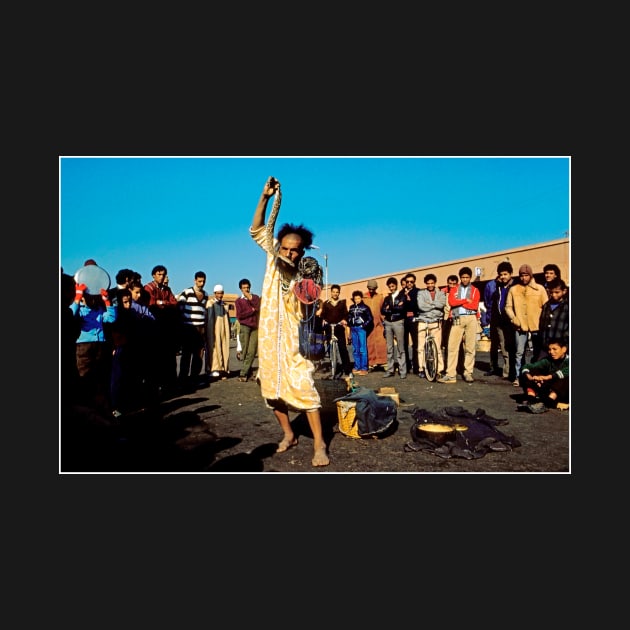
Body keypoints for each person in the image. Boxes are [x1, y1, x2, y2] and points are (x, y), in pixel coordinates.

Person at [250, 176, 329, 466]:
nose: (288, 252)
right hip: (269, 337)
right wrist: (265, 196)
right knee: (270, 390)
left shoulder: (306, 273)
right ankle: (289, 434)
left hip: (295, 340)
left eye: (294, 249)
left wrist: (307, 285)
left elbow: (310, 304)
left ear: (302, 250)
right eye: (285, 247)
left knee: (305, 388)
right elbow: (257, 228)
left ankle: (320, 444)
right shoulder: (272, 256)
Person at [71, 278, 117, 412]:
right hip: (83, 346)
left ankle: (104, 409)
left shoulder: (100, 310)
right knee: (85, 378)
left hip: (101, 345)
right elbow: (71, 315)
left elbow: (112, 318)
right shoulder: (80, 309)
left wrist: (107, 301)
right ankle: (87, 409)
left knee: (102, 378)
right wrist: (77, 299)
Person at [505, 264, 548, 386]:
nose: (524, 278)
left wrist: (543, 323)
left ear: (531, 275)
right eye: (522, 275)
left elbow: (546, 307)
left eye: (526, 275)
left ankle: (538, 376)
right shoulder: (513, 289)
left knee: (539, 353)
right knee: (519, 353)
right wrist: (514, 319)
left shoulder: (540, 289)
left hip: (536, 326)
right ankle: (519, 377)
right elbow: (508, 307)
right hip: (520, 326)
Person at [438, 266, 480, 384]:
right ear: (460, 278)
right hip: (457, 318)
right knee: (452, 347)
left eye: (467, 277)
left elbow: (474, 306)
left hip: (471, 318)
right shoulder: (454, 289)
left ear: (470, 278)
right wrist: (466, 300)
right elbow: (452, 302)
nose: (465, 279)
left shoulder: (475, 290)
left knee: (470, 347)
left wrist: (460, 303)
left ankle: (468, 372)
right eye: (463, 277)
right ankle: (451, 374)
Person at [144, 264, 180, 396]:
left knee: (168, 358)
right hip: (154, 327)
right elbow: (151, 304)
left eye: (163, 274)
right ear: (153, 275)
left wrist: (162, 303)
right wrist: (163, 304)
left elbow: (174, 303)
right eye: (159, 274)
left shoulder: (167, 289)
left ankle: (168, 384)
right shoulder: (148, 288)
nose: (161, 276)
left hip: (166, 328)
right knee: (156, 358)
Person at [518, 338, 569, 413]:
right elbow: (528, 366)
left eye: (555, 349)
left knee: (565, 378)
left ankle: (547, 403)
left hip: (564, 392)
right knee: (531, 371)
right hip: (550, 388)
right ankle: (531, 399)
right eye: (550, 349)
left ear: (564, 349)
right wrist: (529, 375)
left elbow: (567, 371)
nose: (551, 352)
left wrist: (547, 377)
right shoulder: (548, 360)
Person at [486, 261, 517, 381]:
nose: (503, 277)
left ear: (510, 274)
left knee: (513, 347)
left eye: (505, 274)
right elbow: (492, 304)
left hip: (511, 321)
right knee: (503, 347)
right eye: (501, 274)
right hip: (499, 322)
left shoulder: (515, 286)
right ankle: (506, 372)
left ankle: (515, 372)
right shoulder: (497, 287)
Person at [177, 271, 209, 387]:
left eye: (204, 281)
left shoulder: (205, 295)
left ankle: (194, 378)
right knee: (186, 355)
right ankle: (183, 379)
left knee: (198, 355)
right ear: (195, 280)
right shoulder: (186, 292)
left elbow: (204, 312)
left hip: (200, 328)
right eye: (199, 281)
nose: (202, 283)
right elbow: (179, 309)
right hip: (188, 328)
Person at [316, 283, 352, 378]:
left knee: (343, 349)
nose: (335, 293)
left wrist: (344, 320)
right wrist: (323, 320)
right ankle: (333, 367)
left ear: (339, 293)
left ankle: (347, 370)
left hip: (339, 328)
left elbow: (346, 314)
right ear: (331, 292)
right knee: (330, 349)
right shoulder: (326, 303)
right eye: (333, 292)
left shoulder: (342, 303)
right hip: (329, 328)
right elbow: (323, 315)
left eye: (337, 292)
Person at [415, 273, 447, 378]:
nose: (430, 285)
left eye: (432, 283)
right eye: (428, 283)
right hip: (423, 321)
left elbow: (442, 304)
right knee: (420, 348)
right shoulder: (421, 293)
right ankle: (422, 368)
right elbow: (421, 306)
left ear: (435, 283)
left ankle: (440, 369)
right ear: (425, 284)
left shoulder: (441, 293)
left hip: (436, 321)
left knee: (437, 347)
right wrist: (434, 306)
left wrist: (429, 304)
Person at [234, 278, 261, 382]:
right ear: (240, 289)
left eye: (247, 287)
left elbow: (258, 307)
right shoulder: (238, 301)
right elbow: (240, 316)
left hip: (254, 327)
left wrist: (251, 300)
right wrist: (252, 310)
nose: (246, 289)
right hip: (244, 326)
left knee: (252, 350)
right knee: (245, 351)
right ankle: (248, 373)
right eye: (244, 288)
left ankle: (243, 373)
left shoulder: (255, 298)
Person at [381, 276, 408, 379]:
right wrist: (394, 308)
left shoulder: (402, 296)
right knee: (389, 348)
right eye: (389, 287)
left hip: (398, 322)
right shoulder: (387, 298)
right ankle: (390, 369)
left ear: (396, 285)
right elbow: (383, 310)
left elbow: (402, 309)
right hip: (388, 323)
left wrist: (390, 308)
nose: (391, 288)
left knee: (400, 347)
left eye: (393, 286)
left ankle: (402, 370)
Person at [205, 284, 232, 380]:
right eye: (218, 293)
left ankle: (224, 369)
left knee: (224, 348)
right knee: (214, 349)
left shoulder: (225, 305)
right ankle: (214, 369)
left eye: (221, 293)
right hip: (213, 331)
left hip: (223, 331)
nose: (220, 295)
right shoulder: (210, 303)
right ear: (214, 293)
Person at [538, 278, 569, 355]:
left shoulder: (567, 306)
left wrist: (565, 339)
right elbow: (542, 323)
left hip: (561, 345)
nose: (554, 295)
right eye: (551, 292)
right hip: (546, 345)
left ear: (564, 291)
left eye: (557, 292)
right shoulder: (546, 305)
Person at [347, 290, 374, 376]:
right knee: (355, 349)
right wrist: (350, 324)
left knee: (362, 349)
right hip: (353, 329)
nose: (357, 300)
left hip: (361, 329)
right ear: (353, 299)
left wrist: (363, 326)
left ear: (361, 298)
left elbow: (370, 318)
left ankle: (364, 368)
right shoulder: (351, 307)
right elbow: (349, 317)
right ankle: (357, 366)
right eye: (355, 298)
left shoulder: (365, 307)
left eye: (358, 298)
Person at [364, 279, 388, 371]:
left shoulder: (379, 297)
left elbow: (382, 310)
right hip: (368, 325)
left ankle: (383, 362)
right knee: (369, 344)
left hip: (378, 324)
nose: (371, 290)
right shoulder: (363, 297)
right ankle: (371, 363)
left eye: (373, 289)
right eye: (369, 288)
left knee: (381, 343)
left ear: (376, 288)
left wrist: (384, 321)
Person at [401, 273, 421, 375]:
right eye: (407, 281)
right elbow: (399, 307)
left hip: (414, 319)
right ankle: (406, 366)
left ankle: (416, 367)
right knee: (404, 344)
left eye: (411, 282)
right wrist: (404, 299)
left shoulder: (418, 292)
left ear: (414, 282)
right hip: (404, 320)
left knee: (416, 344)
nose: (409, 283)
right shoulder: (401, 292)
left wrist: (408, 300)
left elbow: (417, 306)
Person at [440, 274, 459, 374]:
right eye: (450, 283)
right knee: (446, 344)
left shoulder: (460, 291)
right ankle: (448, 366)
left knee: (458, 345)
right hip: (446, 320)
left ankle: (460, 366)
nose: (452, 285)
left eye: (454, 284)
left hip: (457, 319)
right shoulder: (443, 291)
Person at [481, 274, 499, 375]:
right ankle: (493, 367)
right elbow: (486, 301)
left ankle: (508, 369)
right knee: (494, 344)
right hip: (493, 317)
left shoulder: (510, 284)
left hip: (506, 318)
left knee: (507, 345)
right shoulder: (490, 285)